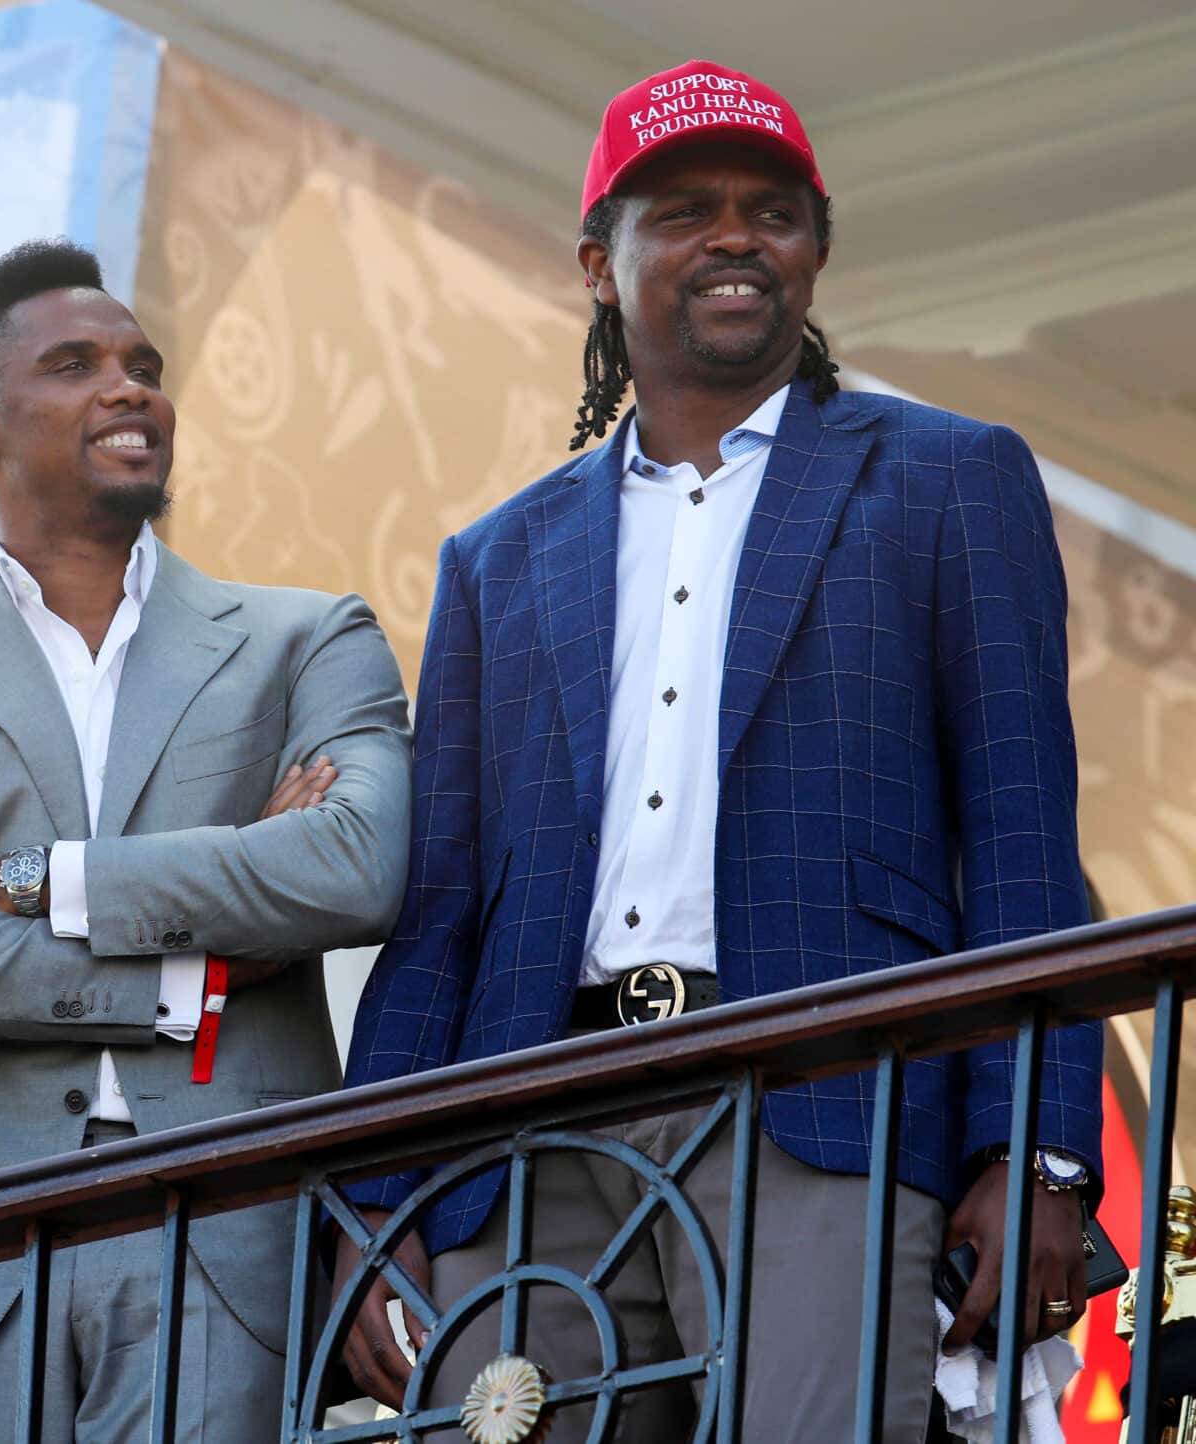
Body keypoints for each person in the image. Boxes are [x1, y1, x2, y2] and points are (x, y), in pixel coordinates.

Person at [336, 60, 1103, 1443]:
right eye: (685, 210)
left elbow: (1023, 841)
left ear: (815, 252)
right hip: (524, 1135)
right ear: (599, 262)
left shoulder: (947, 477)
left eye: (774, 211)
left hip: (824, 1100)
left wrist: (1037, 1150)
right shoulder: (497, 562)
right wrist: (377, 1198)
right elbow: (438, 912)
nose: (736, 237)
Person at [0, 239, 412, 1442]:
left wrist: (41, 881)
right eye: (74, 365)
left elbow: (349, 868)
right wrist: (205, 963)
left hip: (239, 1232)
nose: (128, 387)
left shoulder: (310, 638)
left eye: (142, 363)